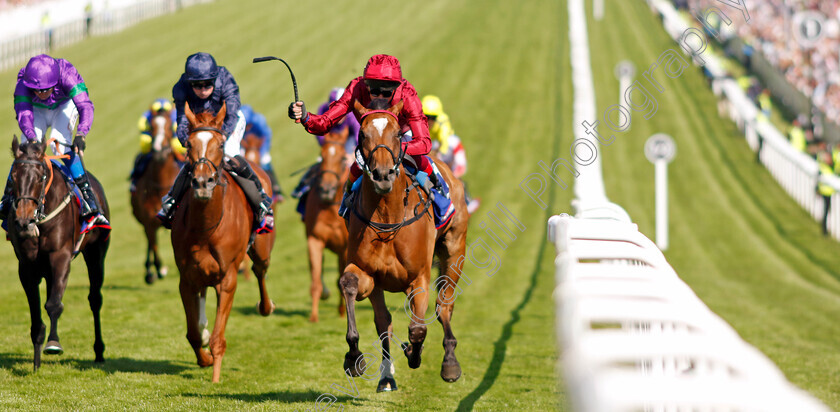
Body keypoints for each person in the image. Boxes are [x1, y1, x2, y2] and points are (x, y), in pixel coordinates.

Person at [288, 54, 456, 227]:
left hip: (398, 136)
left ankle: (441, 191)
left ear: (397, 87)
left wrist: (394, 148)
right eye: (374, 91)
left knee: (418, 160)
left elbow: (424, 143)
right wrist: (305, 117)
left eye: (387, 92)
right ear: (365, 84)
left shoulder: (407, 93)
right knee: (358, 163)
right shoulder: (356, 88)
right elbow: (325, 123)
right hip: (371, 138)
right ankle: (348, 198)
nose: (380, 97)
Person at [156, 52, 273, 233]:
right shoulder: (180, 88)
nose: (203, 90)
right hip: (200, 124)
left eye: (207, 84)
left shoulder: (226, 79)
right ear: (189, 82)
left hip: (226, 120)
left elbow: (232, 112)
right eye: (196, 85)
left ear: (215, 79)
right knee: (196, 160)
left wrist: (224, 133)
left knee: (231, 154)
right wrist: (187, 141)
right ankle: (171, 201)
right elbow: (182, 119)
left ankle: (261, 201)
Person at [1, 54, 108, 232]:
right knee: (27, 148)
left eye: (46, 89)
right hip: (37, 111)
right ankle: (6, 199)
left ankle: (89, 199)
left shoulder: (67, 75)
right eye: (37, 90)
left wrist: (81, 133)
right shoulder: (23, 84)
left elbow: (85, 105)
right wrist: (32, 138)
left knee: (59, 145)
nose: (41, 94)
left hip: (64, 106)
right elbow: (24, 114)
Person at [290, 87, 360, 200]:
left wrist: (352, 154)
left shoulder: (352, 115)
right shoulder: (322, 109)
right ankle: (303, 187)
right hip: (330, 141)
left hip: (348, 141)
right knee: (322, 162)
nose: (340, 114)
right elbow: (320, 136)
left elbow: (358, 136)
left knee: (354, 164)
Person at [421, 95, 480, 214]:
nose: (429, 120)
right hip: (434, 144)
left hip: (449, 148)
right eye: (426, 117)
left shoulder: (443, 123)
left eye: (433, 117)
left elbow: (444, 145)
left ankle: (465, 202)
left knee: (452, 176)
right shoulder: (421, 121)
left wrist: (436, 155)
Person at [129, 98, 184, 193]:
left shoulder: (175, 116)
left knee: (185, 160)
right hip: (153, 143)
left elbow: (178, 133)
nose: (161, 113)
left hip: (171, 142)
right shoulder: (147, 117)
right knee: (141, 158)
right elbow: (144, 134)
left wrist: (173, 145)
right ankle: (134, 180)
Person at [239, 104, 284, 203]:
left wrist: (262, 152)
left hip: (260, 145)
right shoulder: (238, 123)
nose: (247, 128)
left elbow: (266, 136)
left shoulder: (259, 121)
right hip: (244, 146)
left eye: (249, 125)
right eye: (245, 125)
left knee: (265, 159)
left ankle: (276, 189)